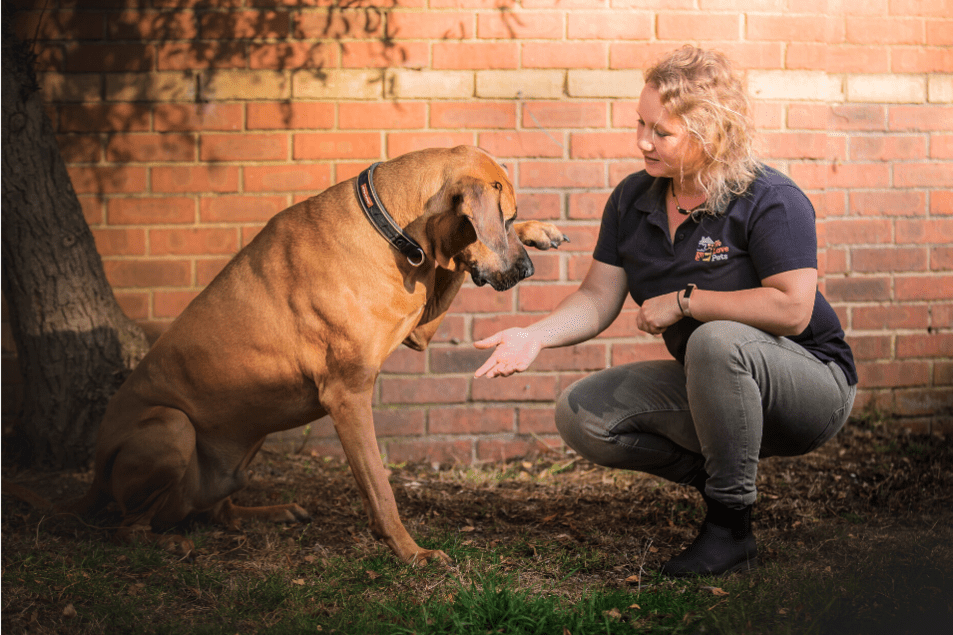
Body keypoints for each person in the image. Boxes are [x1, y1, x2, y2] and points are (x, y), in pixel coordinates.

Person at [473, 46, 857, 577]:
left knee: (715, 339)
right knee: (583, 413)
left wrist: (685, 302)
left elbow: (793, 310)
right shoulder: (634, 199)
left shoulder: (770, 198)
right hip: (721, 385)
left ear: (711, 134)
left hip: (811, 385)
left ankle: (730, 528)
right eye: (640, 123)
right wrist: (535, 336)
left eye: (661, 131)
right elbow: (596, 296)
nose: (642, 141)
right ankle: (725, 475)